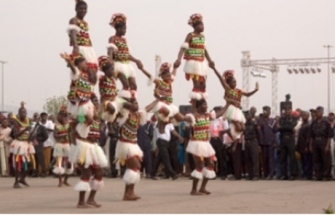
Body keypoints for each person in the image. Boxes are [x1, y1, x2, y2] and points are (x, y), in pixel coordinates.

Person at [114, 98, 159, 201]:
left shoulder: (138, 115)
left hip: (133, 144)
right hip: (125, 145)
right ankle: (128, 193)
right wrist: (125, 100)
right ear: (130, 105)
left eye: (137, 102)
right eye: (134, 103)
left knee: (132, 169)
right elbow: (121, 106)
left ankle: (129, 193)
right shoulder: (124, 115)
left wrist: (157, 100)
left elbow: (148, 108)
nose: (137, 104)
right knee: (136, 166)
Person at [69, 93, 108, 208]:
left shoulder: (97, 116)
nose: (96, 103)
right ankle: (81, 202)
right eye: (93, 101)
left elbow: (103, 104)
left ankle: (91, 199)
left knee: (99, 172)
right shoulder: (82, 114)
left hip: (94, 147)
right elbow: (73, 126)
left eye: (97, 101)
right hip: (83, 147)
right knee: (86, 173)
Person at [184, 99, 228, 195]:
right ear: (199, 106)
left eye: (206, 104)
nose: (206, 106)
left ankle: (202, 188)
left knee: (211, 165)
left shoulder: (208, 116)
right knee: (199, 166)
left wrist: (228, 104)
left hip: (206, 144)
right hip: (196, 144)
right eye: (204, 104)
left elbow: (219, 113)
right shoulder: (194, 116)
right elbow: (184, 118)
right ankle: (193, 190)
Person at [174, 14, 215, 109]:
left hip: (201, 63)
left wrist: (210, 61)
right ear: (195, 26)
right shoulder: (190, 35)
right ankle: (195, 108)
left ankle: (202, 104)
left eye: (203, 25)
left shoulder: (203, 37)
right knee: (196, 84)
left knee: (203, 84)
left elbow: (204, 50)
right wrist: (179, 59)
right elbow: (183, 48)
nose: (202, 27)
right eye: (200, 25)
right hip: (192, 63)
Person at [211, 67, 259, 139]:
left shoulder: (238, 91)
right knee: (239, 127)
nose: (235, 83)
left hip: (237, 110)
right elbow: (220, 78)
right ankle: (227, 134)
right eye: (233, 82)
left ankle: (225, 132)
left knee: (242, 128)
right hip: (230, 109)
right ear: (228, 83)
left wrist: (255, 90)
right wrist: (214, 69)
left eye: (235, 82)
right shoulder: (228, 89)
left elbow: (248, 94)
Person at [107, 13, 144, 100]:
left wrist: (136, 60)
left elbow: (126, 54)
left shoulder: (124, 40)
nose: (125, 31)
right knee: (126, 85)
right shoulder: (112, 38)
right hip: (118, 65)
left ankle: (132, 102)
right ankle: (120, 102)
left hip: (127, 65)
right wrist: (110, 62)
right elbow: (110, 51)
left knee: (134, 86)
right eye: (124, 29)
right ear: (118, 29)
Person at [61, 53, 95, 139]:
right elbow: (73, 69)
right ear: (79, 64)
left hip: (87, 102)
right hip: (80, 104)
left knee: (81, 121)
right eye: (84, 63)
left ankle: (75, 133)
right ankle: (74, 133)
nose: (86, 65)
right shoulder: (76, 73)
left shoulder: (86, 75)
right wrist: (69, 61)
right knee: (89, 120)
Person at [67, 0, 98, 82]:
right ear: (76, 9)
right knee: (83, 72)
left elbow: (87, 37)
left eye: (85, 9)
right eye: (81, 9)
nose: (83, 11)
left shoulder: (85, 23)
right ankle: (79, 91)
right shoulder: (74, 20)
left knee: (93, 75)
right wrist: (75, 46)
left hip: (89, 49)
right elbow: (72, 33)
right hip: (80, 48)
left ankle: (90, 92)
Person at [98, 56, 131, 123]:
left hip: (116, 99)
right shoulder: (103, 79)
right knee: (112, 109)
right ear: (106, 71)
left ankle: (117, 119)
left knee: (130, 105)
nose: (113, 71)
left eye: (113, 69)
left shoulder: (112, 79)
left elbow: (126, 83)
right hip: (106, 101)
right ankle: (107, 121)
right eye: (112, 70)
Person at [10, 102, 35, 188]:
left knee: (31, 163)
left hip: (26, 144)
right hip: (18, 144)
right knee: (18, 163)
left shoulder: (28, 120)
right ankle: (16, 182)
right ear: (18, 113)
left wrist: (31, 135)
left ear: (26, 113)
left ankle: (22, 179)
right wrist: (25, 130)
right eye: (21, 112)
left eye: (24, 112)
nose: (23, 114)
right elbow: (15, 135)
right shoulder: (16, 122)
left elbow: (29, 132)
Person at [309, 106, 333, 181]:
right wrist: (310, 145)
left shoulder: (326, 123)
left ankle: (326, 175)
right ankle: (318, 175)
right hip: (315, 142)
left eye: (319, 111)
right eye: (316, 112)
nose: (317, 113)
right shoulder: (313, 123)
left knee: (325, 159)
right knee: (316, 159)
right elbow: (311, 135)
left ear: (322, 112)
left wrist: (327, 146)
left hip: (323, 141)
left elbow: (329, 136)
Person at [53, 106, 73, 187]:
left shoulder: (69, 125)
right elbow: (55, 136)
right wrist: (63, 135)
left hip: (68, 144)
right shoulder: (56, 125)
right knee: (59, 163)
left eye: (60, 116)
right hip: (59, 145)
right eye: (58, 116)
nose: (58, 117)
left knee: (70, 163)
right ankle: (60, 181)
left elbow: (72, 135)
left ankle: (65, 180)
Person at [278, 105, 298, 180]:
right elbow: (279, 128)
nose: (287, 111)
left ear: (291, 111)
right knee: (283, 157)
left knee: (292, 157)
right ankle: (284, 174)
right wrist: (287, 127)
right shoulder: (282, 119)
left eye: (288, 110)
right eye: (285, 110)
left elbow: (292, 126)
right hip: (283, 138)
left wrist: (284, 127)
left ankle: (293, 174)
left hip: (290, 139)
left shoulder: (294, 118)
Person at [209, 106, 229, 180]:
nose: (216, 112)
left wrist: (224, 142)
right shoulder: (211, 120)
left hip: (220, 140)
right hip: (212, 140)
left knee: (221, 157)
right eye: (215, 111)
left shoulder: (223, 119)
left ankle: (223, 173)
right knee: (212, 158)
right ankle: (212, 173)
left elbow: (226, 131)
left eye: (218, 111)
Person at [258, 106, 277, 180]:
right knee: (264, 159)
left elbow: (275, 132)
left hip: (270, 142)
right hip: (263, 142)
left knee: (270, 159)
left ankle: (271, 174)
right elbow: (259, 128)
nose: (265, 112)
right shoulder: (260, 120)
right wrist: (262, 119)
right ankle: (265, 174)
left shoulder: (272, 121)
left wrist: (274, 142)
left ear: (269, 112)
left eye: (267, 111)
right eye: (264, 110)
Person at [244, 111, 262, 180]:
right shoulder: (245, 124)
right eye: (246, 115)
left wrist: (259, 144)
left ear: (251, 116)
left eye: (248, 115)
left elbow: (259, 134)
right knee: (248, 159)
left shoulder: (255, 124)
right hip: (247, 142)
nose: (247, 116)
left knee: (254, 159)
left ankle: (255, 175)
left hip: (253, 141)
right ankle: (250, 174)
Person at [296, 111, 312, 180]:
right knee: (302, 161)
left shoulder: (308, 125)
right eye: (303, 115)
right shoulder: (302, 124)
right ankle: (304, 174)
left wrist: (307, 146)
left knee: (307, 161)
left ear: (308, 116)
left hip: (306, 145)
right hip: (301, 145)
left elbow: (308, 137)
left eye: (305, 115)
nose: (304, 117)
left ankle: (308, 175)